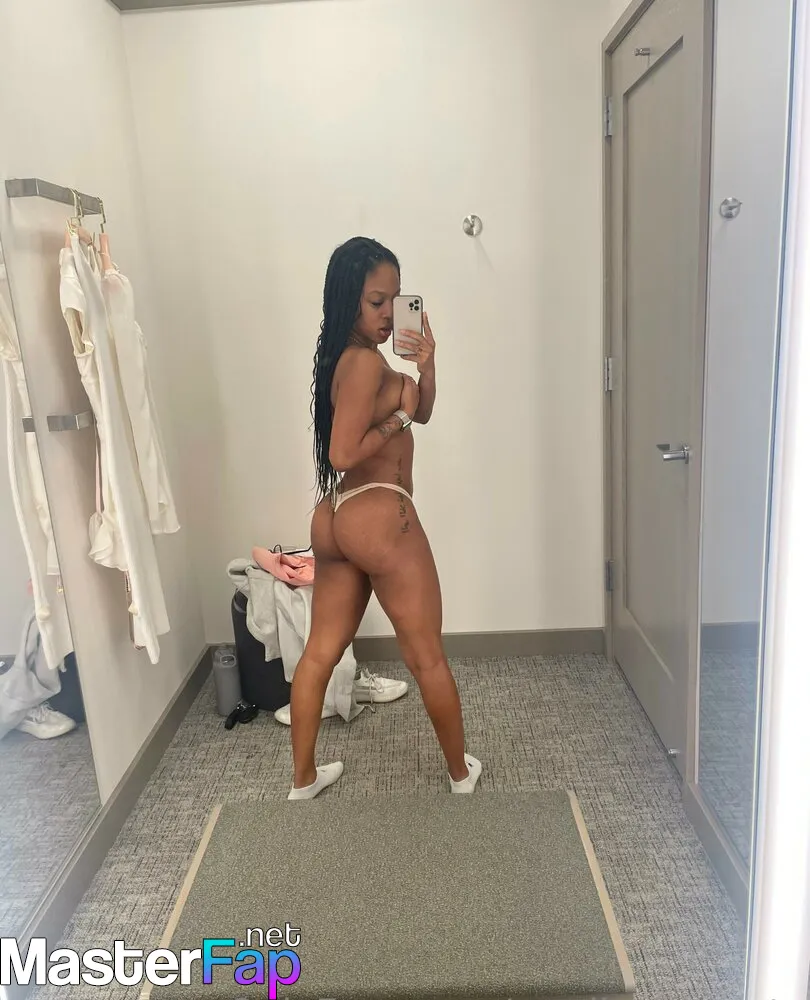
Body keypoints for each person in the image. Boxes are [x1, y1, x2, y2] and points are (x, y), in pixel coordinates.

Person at [287, 237, 482, 800]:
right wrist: (399, 418)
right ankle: (461, 775)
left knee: (320, 652)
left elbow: (424, 408)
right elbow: (343, 454)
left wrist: (427, 366)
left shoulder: (353, 361)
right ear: (347, 298)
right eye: (376, 302)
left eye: (394, 302)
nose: (388, 315)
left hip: (337, 517)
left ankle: (303, 781)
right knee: (426, 656)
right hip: (378, 514)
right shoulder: (364, 363)